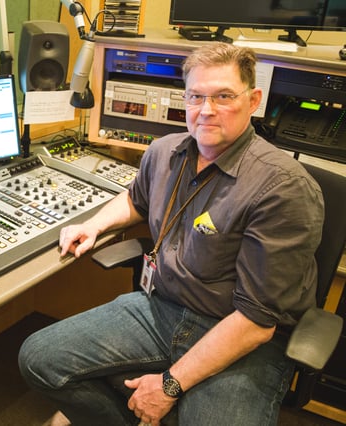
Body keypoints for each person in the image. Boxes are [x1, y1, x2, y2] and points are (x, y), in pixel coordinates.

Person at [18, 42, 324, 426]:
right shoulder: (164, 152)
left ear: (254, 100)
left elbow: (255, 322)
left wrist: (168, 387)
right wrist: (93, 224)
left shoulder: (284, 189)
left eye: (224, 96)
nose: (206, 110)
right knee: (40, 358)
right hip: (162, 307)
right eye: (196, 96)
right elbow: (136, 199)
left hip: (240, 334)